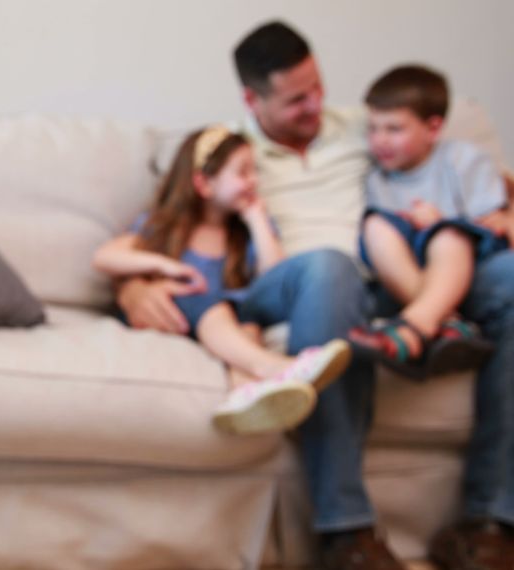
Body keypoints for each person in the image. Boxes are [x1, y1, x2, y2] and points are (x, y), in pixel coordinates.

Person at [116, 20, 514, 570]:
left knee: (510, 277)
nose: (317, 105)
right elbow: (170, 217)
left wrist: (504, 213)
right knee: (332, 270)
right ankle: (347, 534)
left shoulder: (362, 128)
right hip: (298, 281)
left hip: (393, 276)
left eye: (319, 88)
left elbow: (463, 168)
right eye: (297, 99)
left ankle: (489, 523)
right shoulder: (228, 149)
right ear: (252, 99)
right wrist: (133, 283)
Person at [94, 126, 350, 435]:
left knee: (249, 318)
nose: (253, 181)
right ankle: (275, 368)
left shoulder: (241, 235)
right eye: (243, 172)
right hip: (181, 310)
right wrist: (165, 265)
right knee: (201, 295)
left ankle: (242, 395)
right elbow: (105, 257)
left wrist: (257, 219)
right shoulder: (167, 226)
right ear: (203, 183)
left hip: (225, 319)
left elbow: (276, 278)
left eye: (255, 171)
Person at [350, 65, 503, 378]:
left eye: (394, 129)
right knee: (375, 225)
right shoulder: (376, 180)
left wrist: (439, 223)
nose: (379, 140)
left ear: (433, 128)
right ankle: (447, 324)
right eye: (373, 128)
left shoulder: (464, 160)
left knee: (448, 236)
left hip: (463, 266)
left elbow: (493, 225)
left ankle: (416, 327)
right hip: (406, 275)